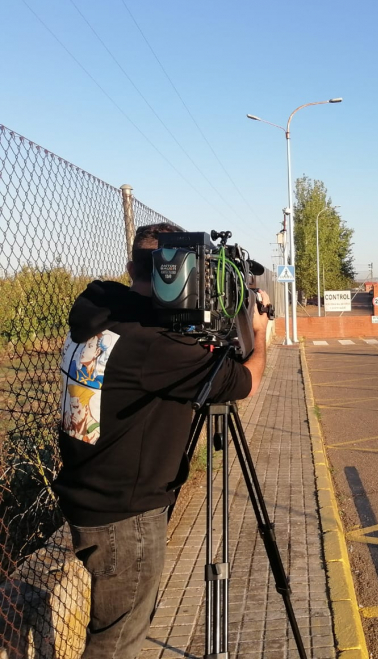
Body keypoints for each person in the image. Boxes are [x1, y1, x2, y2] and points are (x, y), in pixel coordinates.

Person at [53, 223, 271, 658]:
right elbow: (245, 381)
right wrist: (260, 332)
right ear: (184, 273)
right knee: (116, 645)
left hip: (91, 499)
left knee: (115, 632)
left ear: (131, 267)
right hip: (124, 519)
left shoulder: (101, 314)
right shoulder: (154, 345)